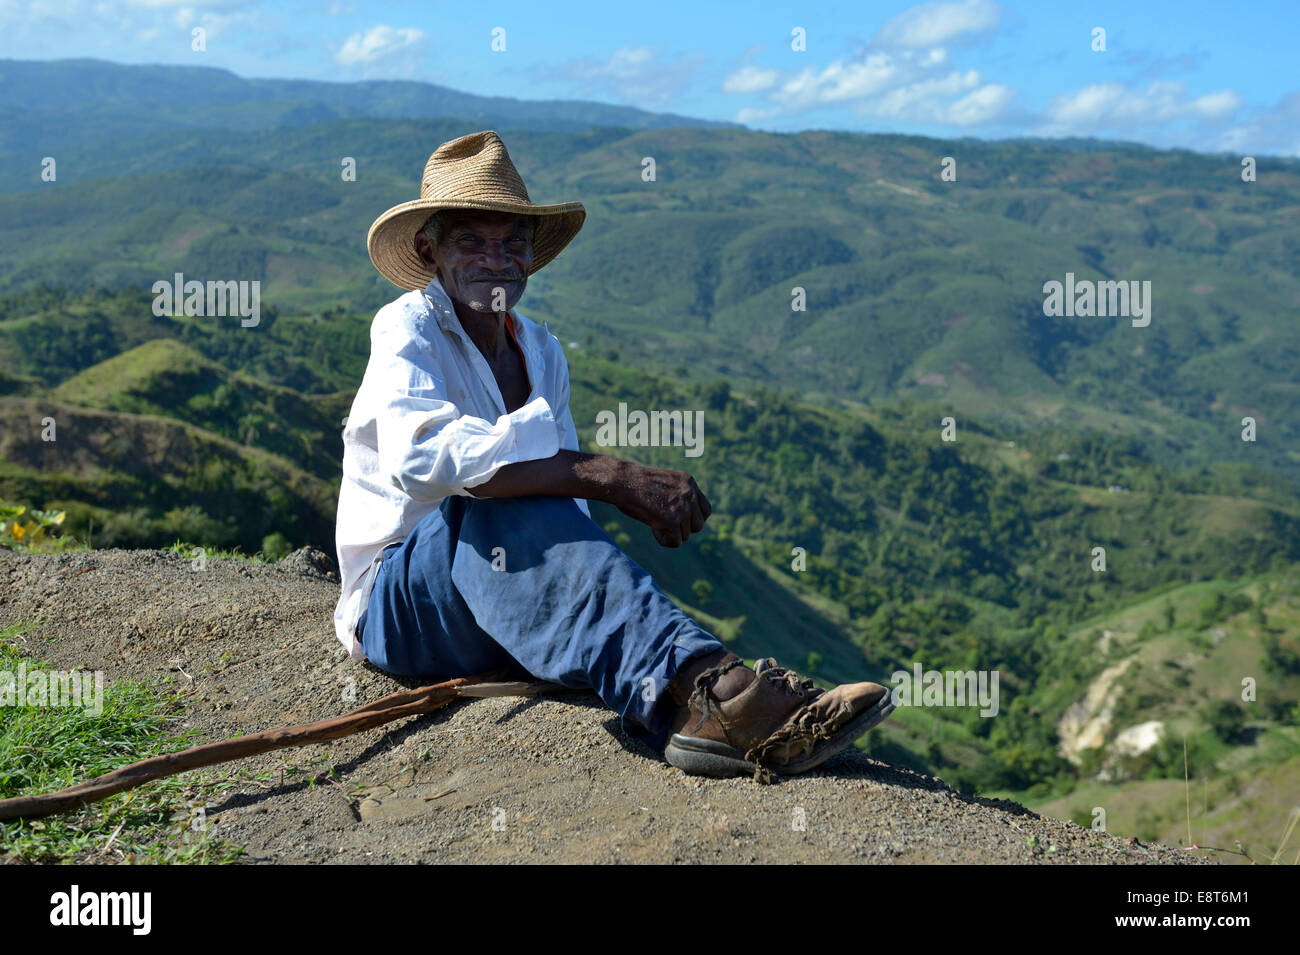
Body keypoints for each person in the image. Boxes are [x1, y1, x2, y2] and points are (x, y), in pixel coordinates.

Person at [333, 130, 895, 779]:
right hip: (402, 606)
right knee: (486, 505)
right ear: (430, 251)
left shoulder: (541, 351)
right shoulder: (408, 329)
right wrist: (614, 474)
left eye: (512, 241)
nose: (497, 259)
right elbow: (424, 459)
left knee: (527, 505)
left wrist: (591, 505)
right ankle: (724, 693)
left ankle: (702, 694)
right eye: (471, 242)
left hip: (497, 597)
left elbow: (559, 514)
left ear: (531, 257)